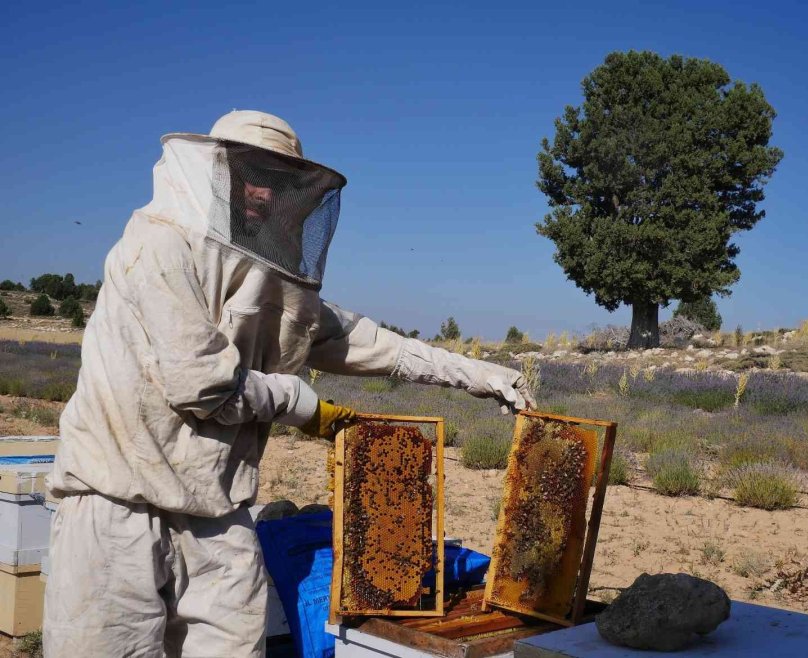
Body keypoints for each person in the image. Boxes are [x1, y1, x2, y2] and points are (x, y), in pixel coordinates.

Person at [43, 110, 535, 658]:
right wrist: (303, 405)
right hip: (116, 504)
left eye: (276, 181)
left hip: (219, 513)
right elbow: (200, 385)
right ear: (218, 172)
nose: (260, 191)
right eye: (250, 173)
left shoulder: (275, 280)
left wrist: (484, 375)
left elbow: (375, 343)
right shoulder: (157, 245)